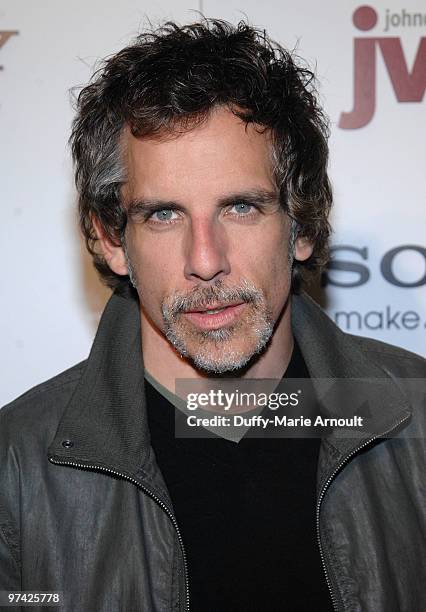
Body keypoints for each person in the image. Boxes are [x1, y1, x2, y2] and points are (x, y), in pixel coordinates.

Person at [0, 17, 424, 612]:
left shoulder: (419, 424)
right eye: (163, 215)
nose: (206, 261)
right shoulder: (15, 467)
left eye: (242, 206)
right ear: (112, 239)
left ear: (300, 223)